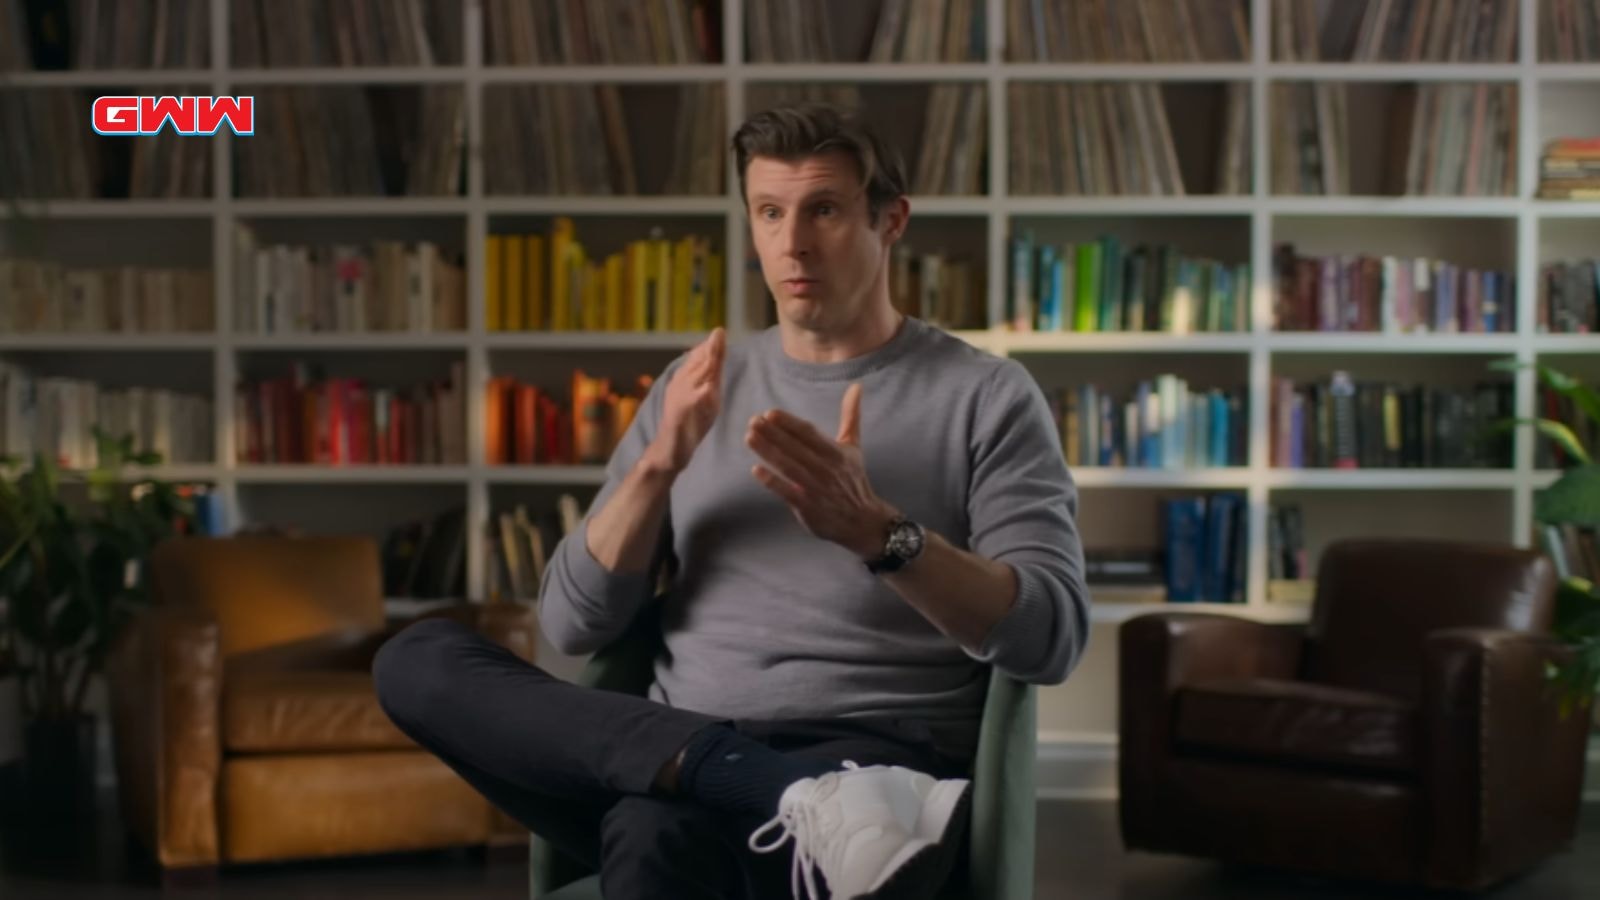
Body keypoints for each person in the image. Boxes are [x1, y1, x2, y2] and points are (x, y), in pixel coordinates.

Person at [373, 102, 1089, 900]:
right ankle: (768, 787)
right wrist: (658, 465)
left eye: (824, 210)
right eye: (770, 212)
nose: (792, 243)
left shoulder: (986, 396)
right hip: (681, 754)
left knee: (652, 842)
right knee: (418, 659)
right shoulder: (694, 388)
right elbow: (574, 625)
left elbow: (1049, 637)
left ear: (891, 221)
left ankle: (802, 798)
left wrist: (879, 534)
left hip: (879, 773)